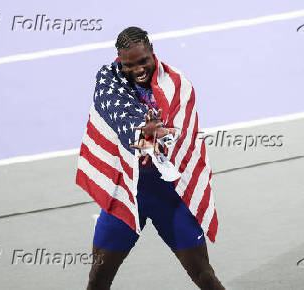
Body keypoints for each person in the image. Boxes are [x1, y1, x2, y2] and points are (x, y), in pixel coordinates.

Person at [78, 26, 224, 290]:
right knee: (98, 278)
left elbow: (177, 137)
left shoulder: (178, 85)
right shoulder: (109, 81)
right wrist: (144, 132)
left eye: (143, 61)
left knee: (204, 276)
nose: (137, 69)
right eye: (129, 65)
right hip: (125, 193)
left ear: (153, 53)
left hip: (170, 195)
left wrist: (155, 138)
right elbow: (117, 116)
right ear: (120, 62)